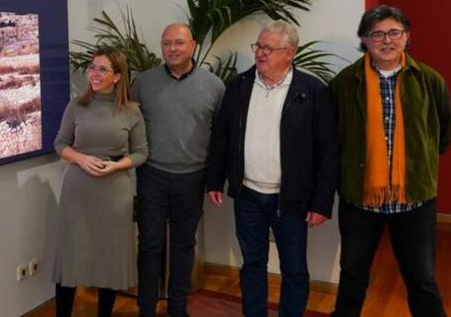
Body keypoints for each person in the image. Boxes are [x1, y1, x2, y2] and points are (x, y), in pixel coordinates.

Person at [205, 20, 338, 317]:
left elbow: (328, 151)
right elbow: (221, 138)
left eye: (268, 48)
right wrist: (215, 180)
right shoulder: (239, 86)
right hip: (248, 195)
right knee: (252, 264)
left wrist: (321, 202)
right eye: (258, 46)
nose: (260, 53)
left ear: (289, 52)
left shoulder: (313, 91)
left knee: (294, 269)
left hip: (290, 199)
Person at [330, 5, 451, 317]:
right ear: (364, 39)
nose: (387, 40)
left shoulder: (429, 80)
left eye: (394, 32)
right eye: (377, 34)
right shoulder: (344, 84)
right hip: (360, 201)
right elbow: (333, 139)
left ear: (407, 37)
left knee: (422, 279)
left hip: (413, 201)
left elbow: (442, 134)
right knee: (353, 274)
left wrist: (415, 165)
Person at [132, 23, 225, 317]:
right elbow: (129, 127)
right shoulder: (143, 83)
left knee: (184, 246)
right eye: (167, 43)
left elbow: (222, 138)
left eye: (179, 43)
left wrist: (215, 180)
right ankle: (145, 307)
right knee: (149, 245)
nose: (172, 49)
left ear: (193, 46)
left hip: (193, 177)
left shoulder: (214, 86)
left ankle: (177, 307)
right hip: (152, 175)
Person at [52, 46, 148, 317]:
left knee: (111, 258)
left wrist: (117, 165)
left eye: (102, 69)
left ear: (117, 76)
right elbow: (60, 144)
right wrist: (81, 160)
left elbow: (142, 153)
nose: (94, 73)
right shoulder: (76, 106)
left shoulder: (132, 111)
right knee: (71, 256)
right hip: (78, 190)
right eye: (92, 67)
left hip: (115, 190)